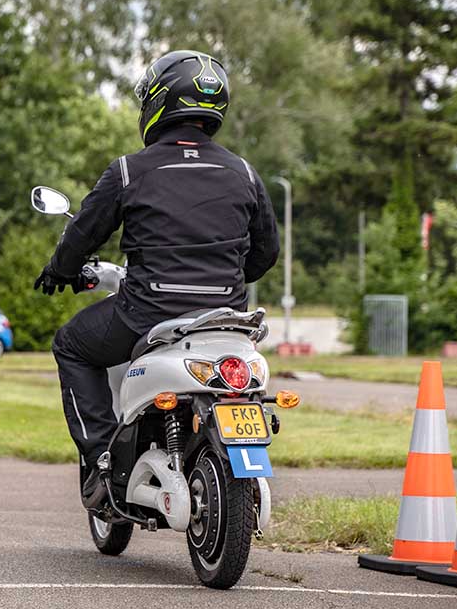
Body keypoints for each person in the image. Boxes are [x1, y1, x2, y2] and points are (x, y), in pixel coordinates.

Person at [34, 50, 280, 509]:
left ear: (158, 101)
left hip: (147, 314)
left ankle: (103, 459)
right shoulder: (244, 173)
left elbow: (84, 232)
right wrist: (222, 281)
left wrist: (60, 269)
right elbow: (266, 253)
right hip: (226, 321)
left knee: (70, 344)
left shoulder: (130, 170)